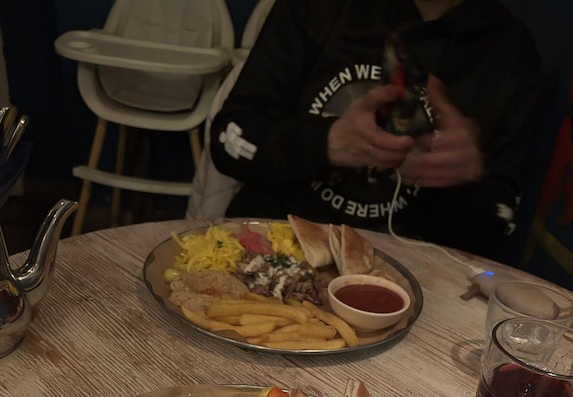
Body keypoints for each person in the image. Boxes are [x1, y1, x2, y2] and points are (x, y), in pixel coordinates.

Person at [208, 0, 542, 257]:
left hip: (411, 277)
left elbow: (496, 226)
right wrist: (326, 141)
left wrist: (466, 180)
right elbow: (229, 140)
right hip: (272, 244)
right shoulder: (316, 8)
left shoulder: (510, 49)